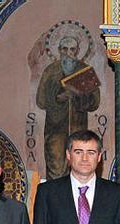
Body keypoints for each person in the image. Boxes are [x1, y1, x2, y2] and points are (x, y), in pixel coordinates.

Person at [36, 36, 101, 180]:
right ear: (59, 50)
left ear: (78, 51)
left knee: (81, 172)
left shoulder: (85, 70)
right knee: (57, 171)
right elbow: (40, 101)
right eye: (65, 49)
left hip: (79, 131)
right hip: (55, 131)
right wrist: (58, 98)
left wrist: (79, 95)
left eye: (72, 49)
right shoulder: (50, 71)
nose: (68, 53)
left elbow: (95, 103)